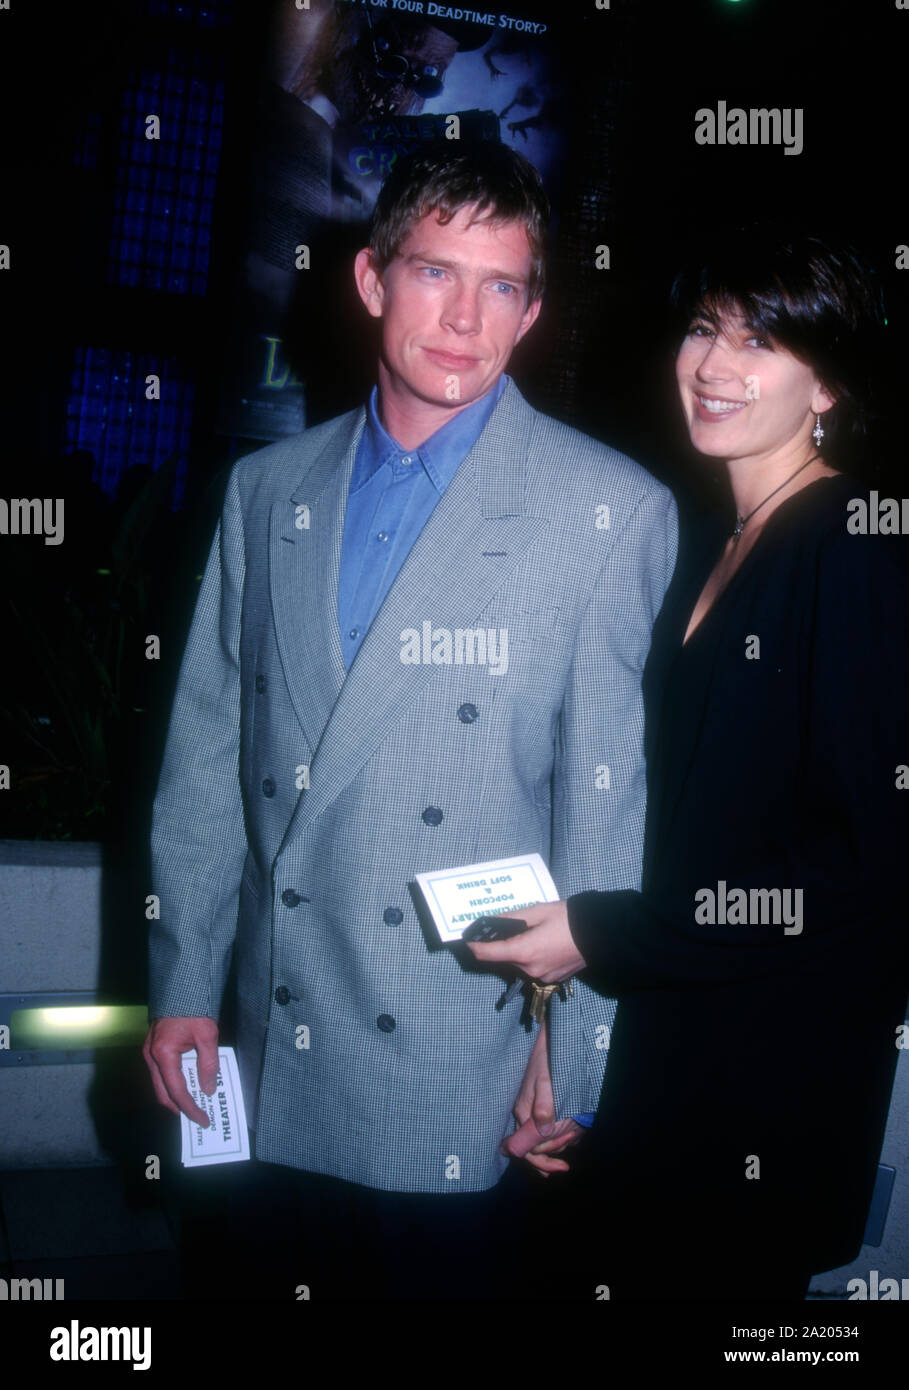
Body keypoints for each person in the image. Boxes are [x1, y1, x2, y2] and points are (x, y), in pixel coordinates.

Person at [142, 141, 678, 1300]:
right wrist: (183, 982)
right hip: (261, 1033)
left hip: (451, 1047)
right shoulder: (268, 490)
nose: (465, 319)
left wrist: (569, 1058)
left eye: (503, 287)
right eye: (436, 273)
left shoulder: (606, 511)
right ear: (373, 279)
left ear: (533, 311)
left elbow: (603, 813)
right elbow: (204, 754)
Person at [469, 226, 909, 1300]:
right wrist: (571, 1048)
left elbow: (855, 870)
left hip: (766, 1093)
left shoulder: (855, 542)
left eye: (760, 341)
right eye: (706, 328)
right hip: (675, 1058)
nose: (714, 365)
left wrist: (599, 932)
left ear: (830, 384)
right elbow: (676, 831)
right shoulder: (717, 544)